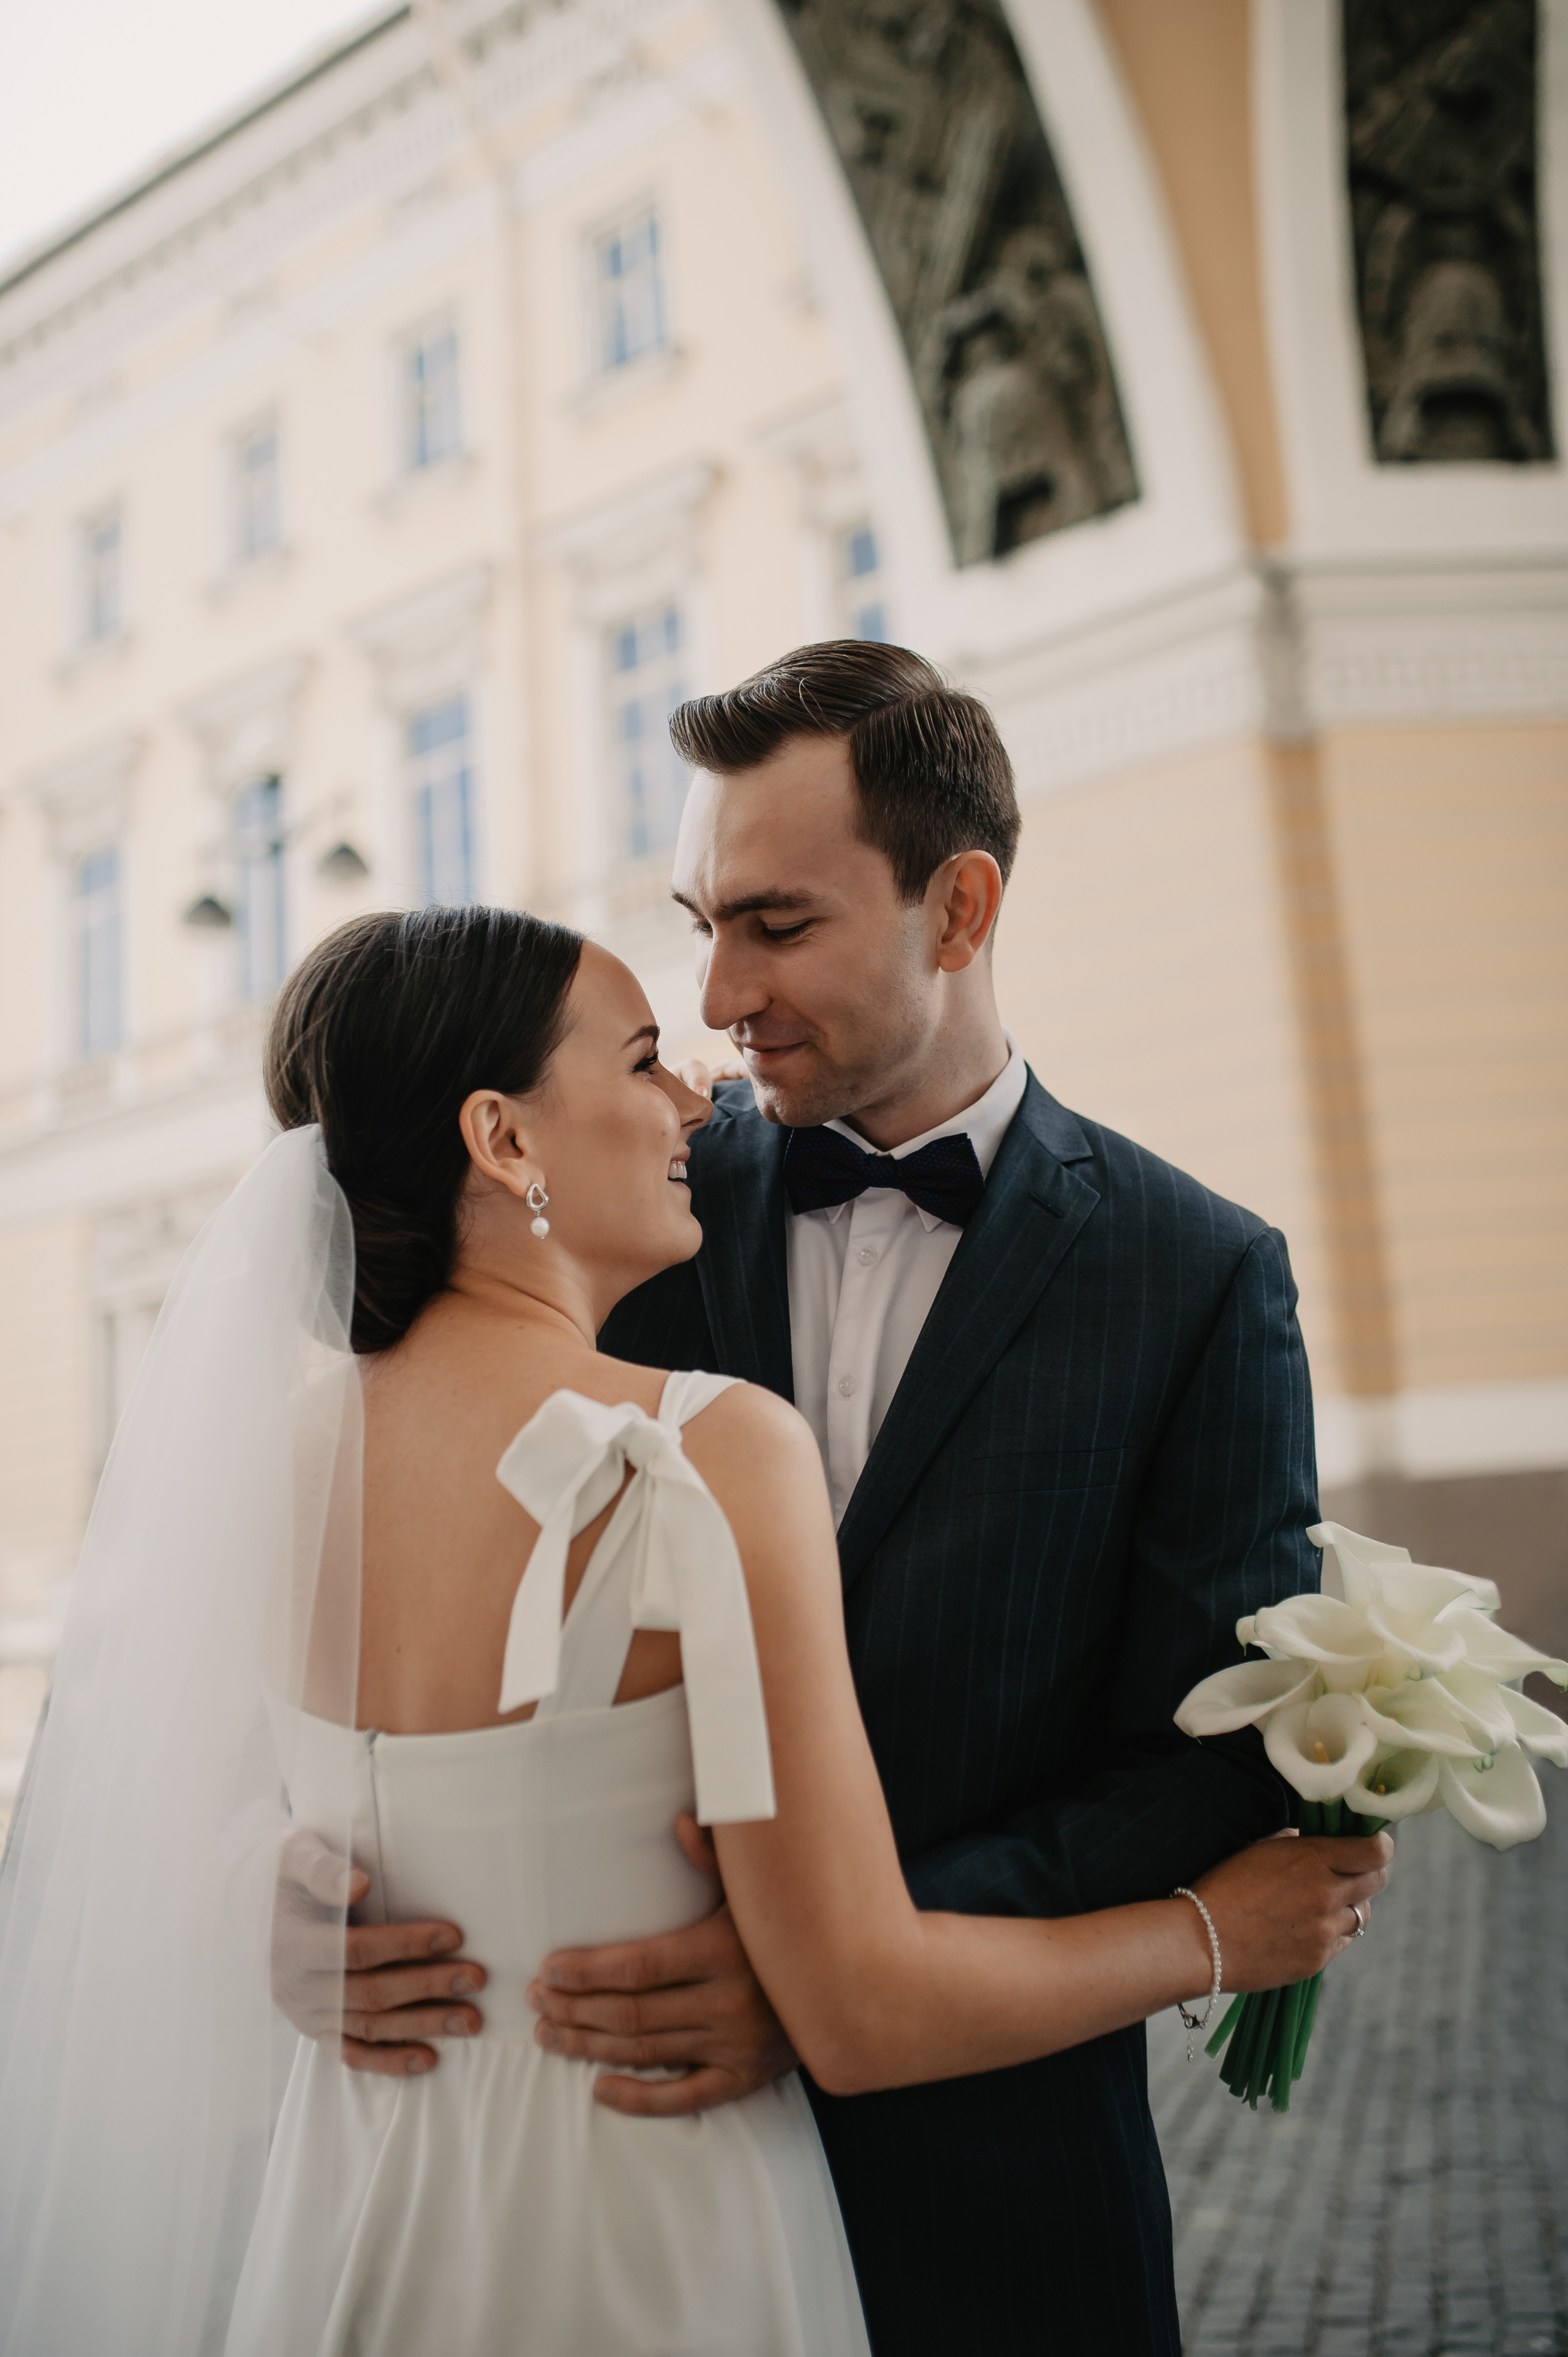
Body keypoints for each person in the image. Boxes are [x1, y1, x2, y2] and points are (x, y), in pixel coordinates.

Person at [0, 899, 1389, 2356]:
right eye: (645, 1057)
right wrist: (1212, 1934)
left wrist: (243, 1880)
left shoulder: (269, 1466)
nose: (698, 1092)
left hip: (356, 2215)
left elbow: (157, 1795)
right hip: (649, 2230)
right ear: (505, 1139)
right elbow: (856, 2009)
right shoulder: (706, 1446)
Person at [323, 641, 1342, 2355]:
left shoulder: (1200, 1275)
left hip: (1002, 2194)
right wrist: (287, 1879)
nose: (715, 995)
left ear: (961, 905)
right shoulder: (611, 1196)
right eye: (699, 919)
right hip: (598, 2181)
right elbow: (383, 1559)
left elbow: (1207, 1760)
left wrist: (839, 1971)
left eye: (777, 926)